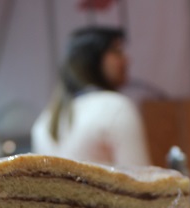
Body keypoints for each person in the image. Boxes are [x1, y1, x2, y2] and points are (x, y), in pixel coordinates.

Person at [31, 26, 150, 166]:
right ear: (92, 60)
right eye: (117, 52)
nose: (126, 60)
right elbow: (140, 181)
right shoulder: (116, 107)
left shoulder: (42, 122)